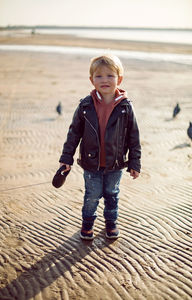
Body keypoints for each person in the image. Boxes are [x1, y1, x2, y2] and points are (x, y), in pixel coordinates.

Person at [59, 54, 141, 240]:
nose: (105, 80)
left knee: (112, 195)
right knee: (92, 196)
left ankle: (111, 224)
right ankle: (87, 225)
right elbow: (73, 134)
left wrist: (134, 162)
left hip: (116, 164)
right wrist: (66, 159)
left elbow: (134, 136)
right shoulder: (85, 106)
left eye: (110, 75)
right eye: (99, 76)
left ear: (119, 79)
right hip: (91, 163)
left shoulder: (126, 107)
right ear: (91, 80)